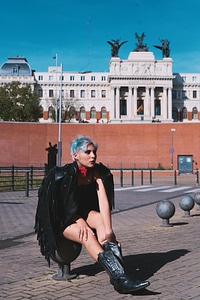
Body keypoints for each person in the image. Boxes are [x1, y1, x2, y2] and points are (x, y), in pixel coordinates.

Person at [58, 135, 150, 294]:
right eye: (88, 152)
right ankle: (121, 278)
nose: (93, 156)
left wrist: (108, 230)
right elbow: (61, 207)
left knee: (102, 221)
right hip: (61, 219)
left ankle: (120, 277)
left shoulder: (97, 172)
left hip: (82, 214)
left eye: (94, 152)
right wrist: (78, 220)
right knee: (87, 234)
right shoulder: (66, 175)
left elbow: (103, 202)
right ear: (75, 155)